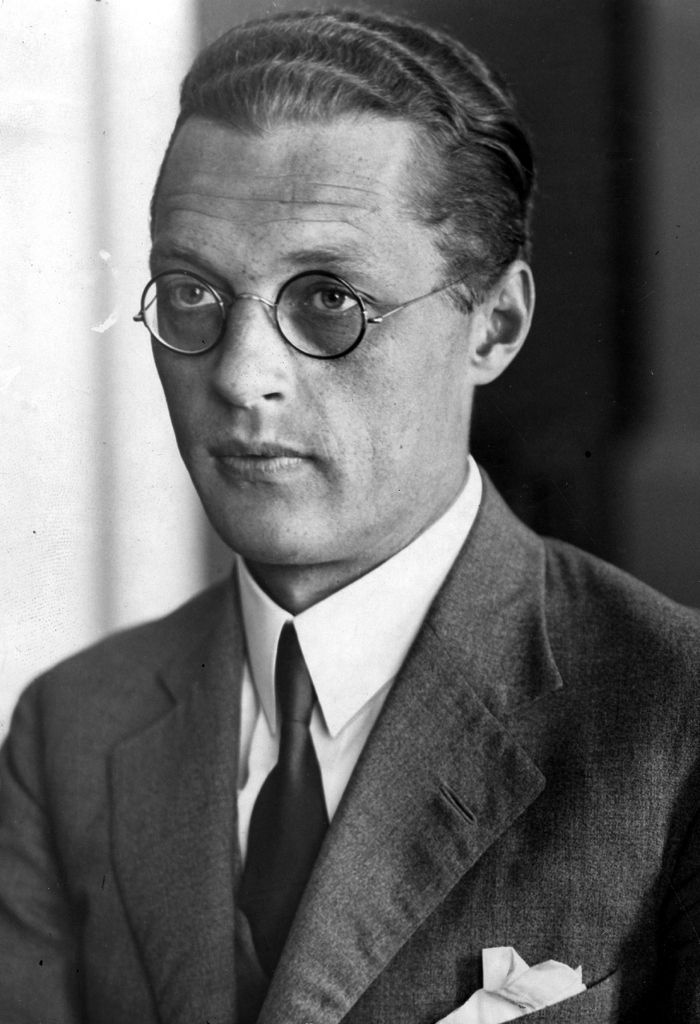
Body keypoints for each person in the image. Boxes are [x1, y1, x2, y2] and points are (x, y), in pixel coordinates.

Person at [0, 8, 699, 1023]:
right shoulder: (71, 728)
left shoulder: (672, 719)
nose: (241, 378)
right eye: (191, 292)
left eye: (328, 300)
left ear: (494, 324)